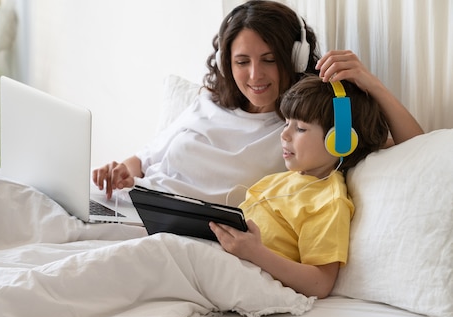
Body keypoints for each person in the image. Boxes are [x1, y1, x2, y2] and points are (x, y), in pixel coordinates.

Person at [92, 0, 423, 205]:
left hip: (177, 234)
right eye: (241, 62)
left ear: (294, 58)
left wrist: (373, 84)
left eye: (269, 59)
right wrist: (120, 172)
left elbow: (417, 148)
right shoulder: (208, 101)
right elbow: (144, 159)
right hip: (129, 203)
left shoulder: (309, 126)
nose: (254, 75)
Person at [210, 75, 389, 299]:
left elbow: (320, 283)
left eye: (301, 129)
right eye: (286, 123)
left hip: (248, 276)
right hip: (221, 262)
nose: (284, 134)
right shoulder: (278, 181)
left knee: (163, 254)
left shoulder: (327, 200)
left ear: (340, 140)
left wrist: (256, 253)